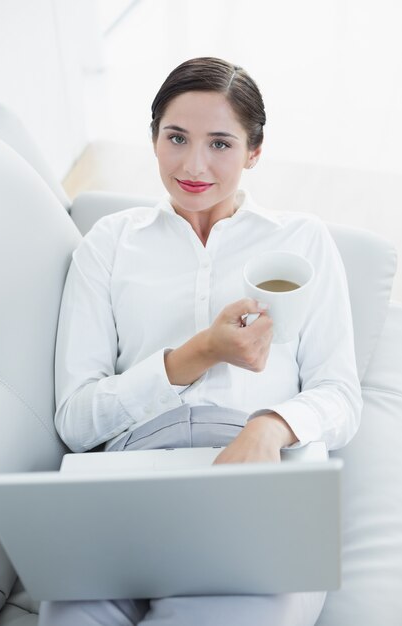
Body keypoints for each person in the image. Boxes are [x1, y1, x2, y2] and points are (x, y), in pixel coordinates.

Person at [39, 57, 362, 626]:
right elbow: (76, 419)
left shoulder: (302, 240)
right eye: (176, 138)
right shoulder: (108, 244)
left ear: (253, 152)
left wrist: (270, 427)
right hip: (126, 489)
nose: (193, 165)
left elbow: (340, 394)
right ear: (154, 138)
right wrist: (200, 354)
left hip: (251, 478)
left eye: (220, 143)